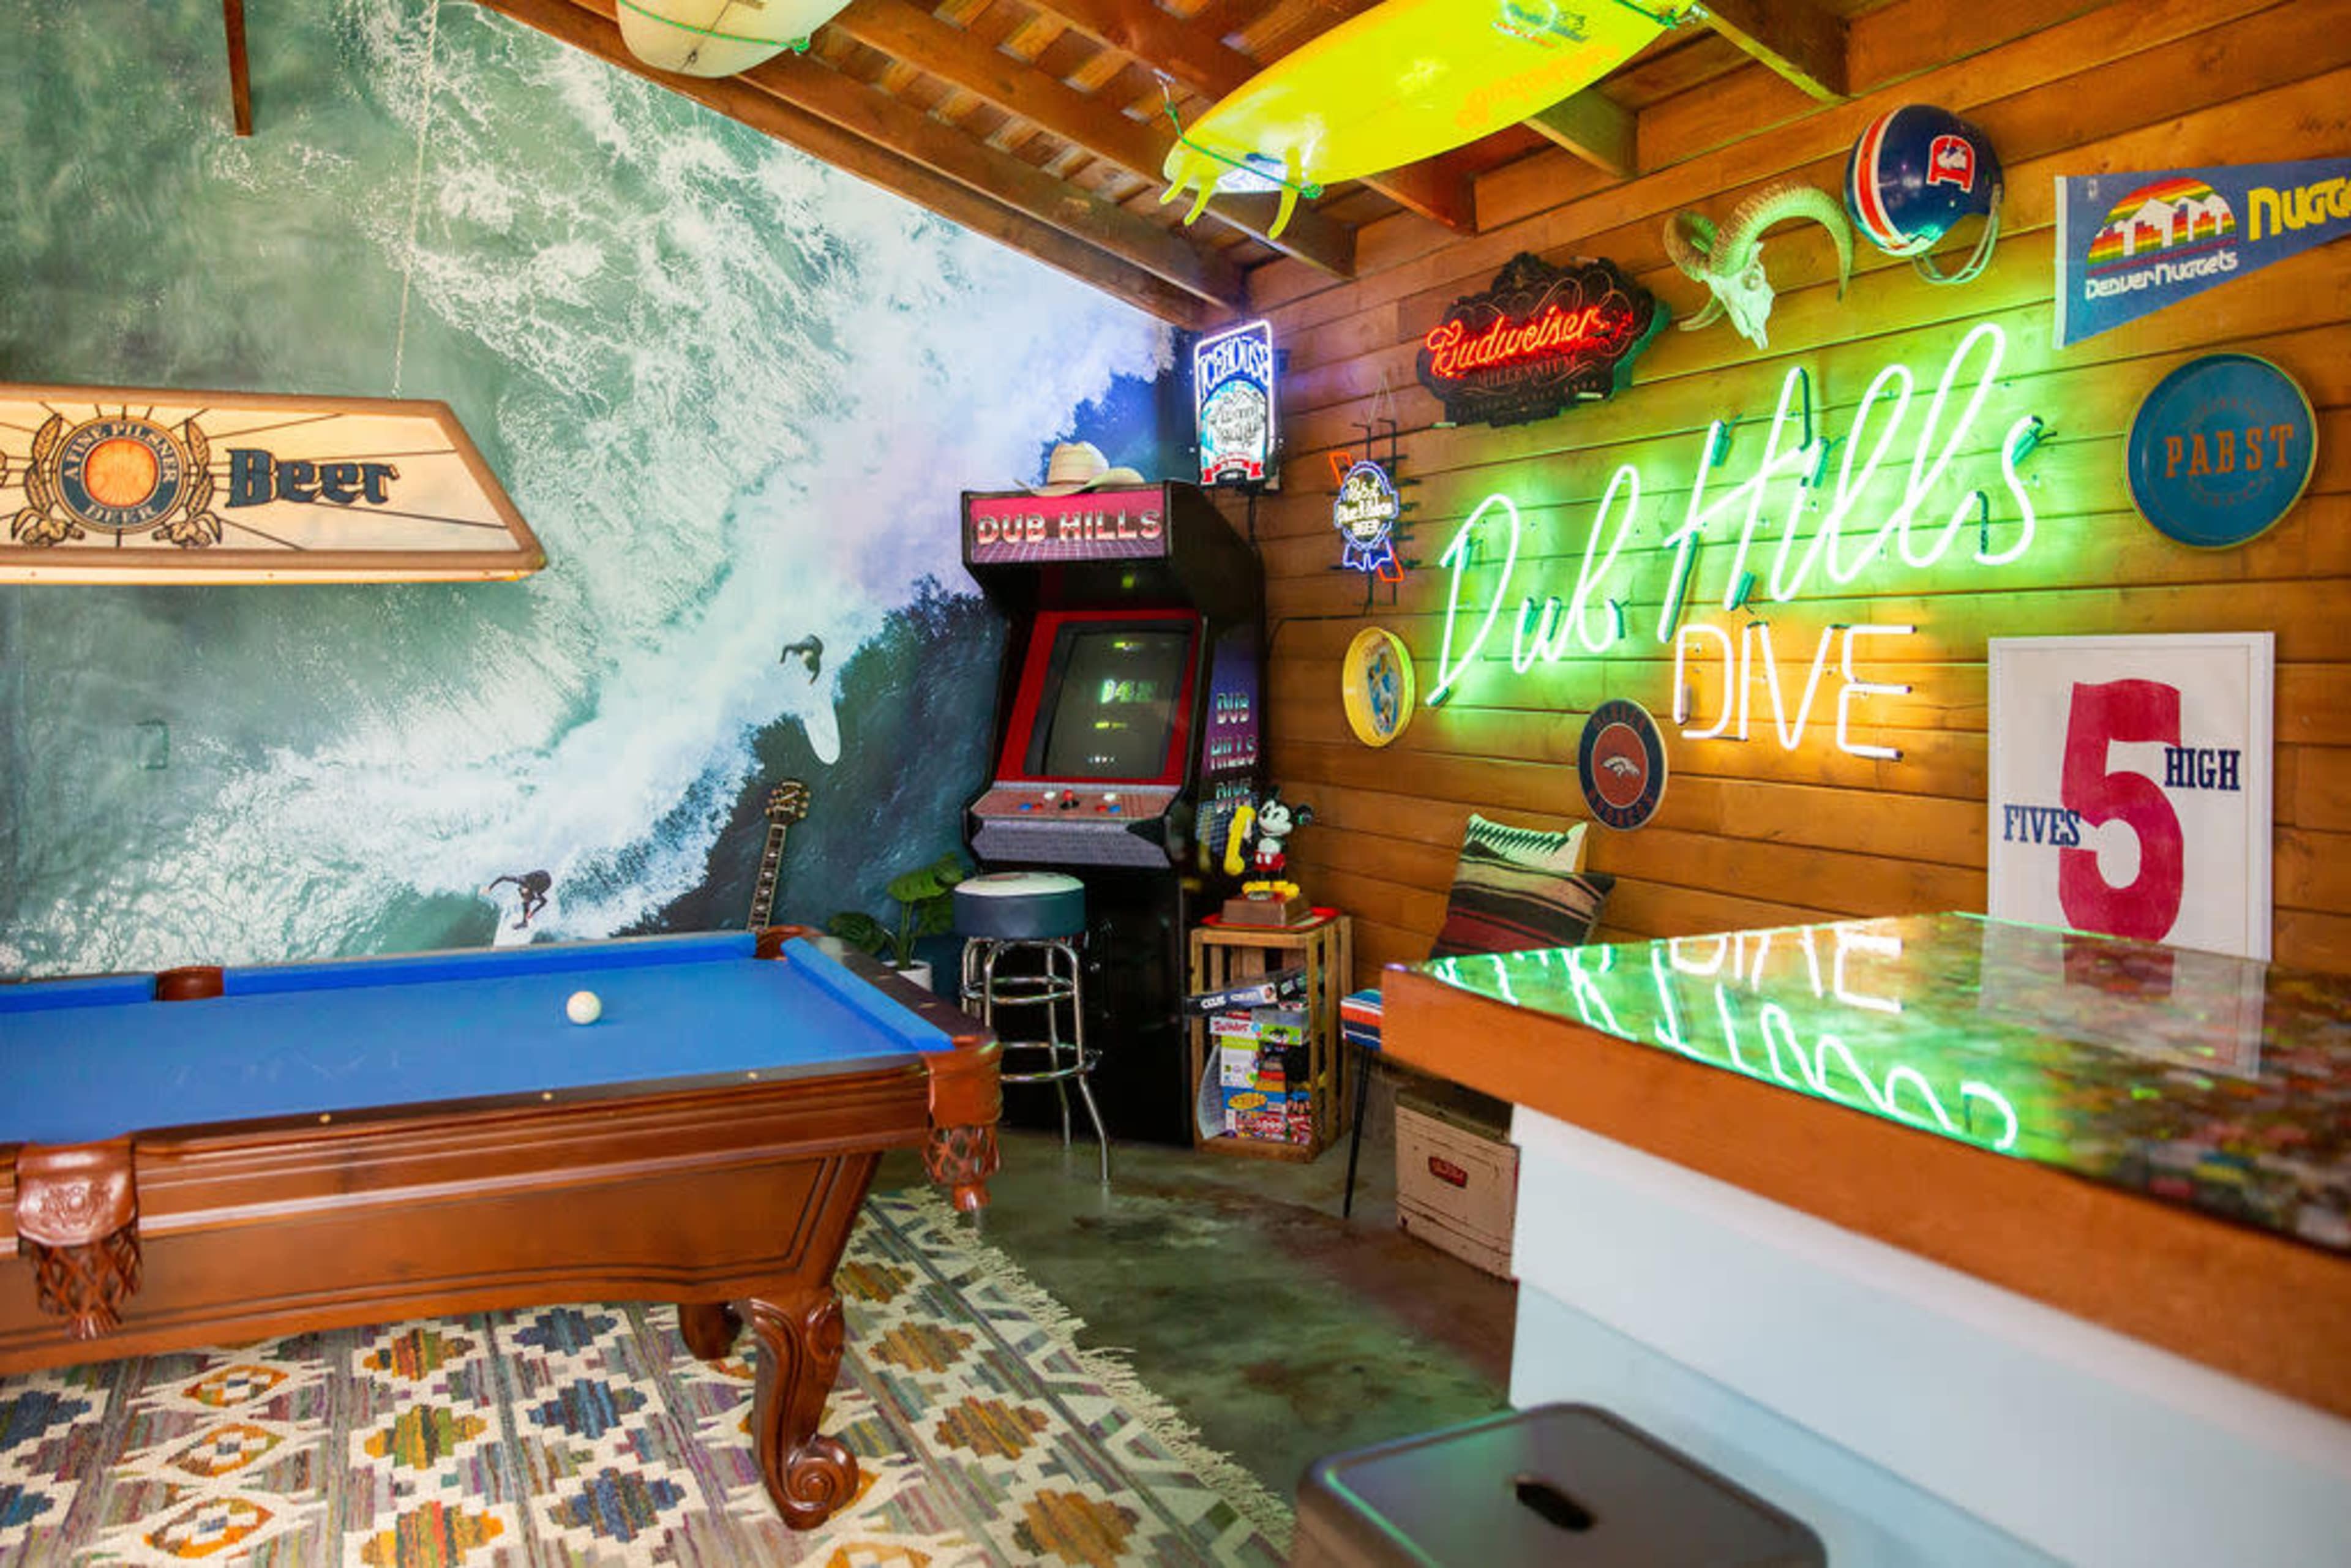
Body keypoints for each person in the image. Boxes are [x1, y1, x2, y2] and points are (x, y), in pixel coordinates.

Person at [487, 870, 552, 929]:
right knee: (526, 901)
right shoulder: (521, 880)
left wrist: (533, 912)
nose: (524, 897)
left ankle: (525, 923)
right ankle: (525, 923)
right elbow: (503, 877)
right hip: (538, 876)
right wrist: (490, 888)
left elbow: (544, 902)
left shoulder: (536, 892)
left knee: (526, 901)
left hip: (546, 882)